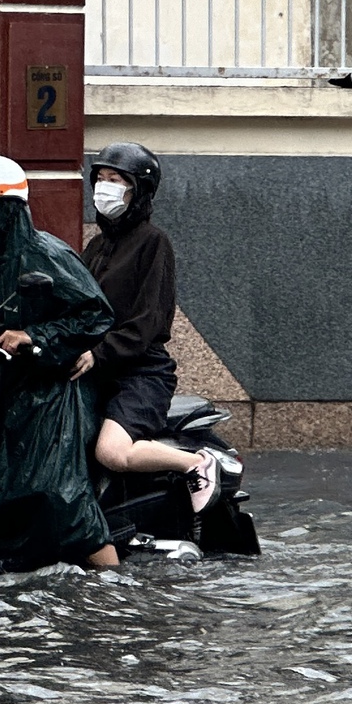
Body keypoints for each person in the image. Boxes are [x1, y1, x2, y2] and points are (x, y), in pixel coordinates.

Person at [0, 154, 121, 571]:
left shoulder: (45, 254)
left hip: (50, 387)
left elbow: (97, 313)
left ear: (6, 209)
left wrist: (33, 336)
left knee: (58, 489)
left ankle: (113, 575)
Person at [69, 142, 222, 512]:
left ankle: (197, 463)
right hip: (95, 372)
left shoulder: (154, 243)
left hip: (139, 374)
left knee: (110, 452)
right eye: (100, 178)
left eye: (116, 180)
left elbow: (148, 321)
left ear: (138, 191)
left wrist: (98, 352)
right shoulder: (97, 246)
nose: (104, 187)